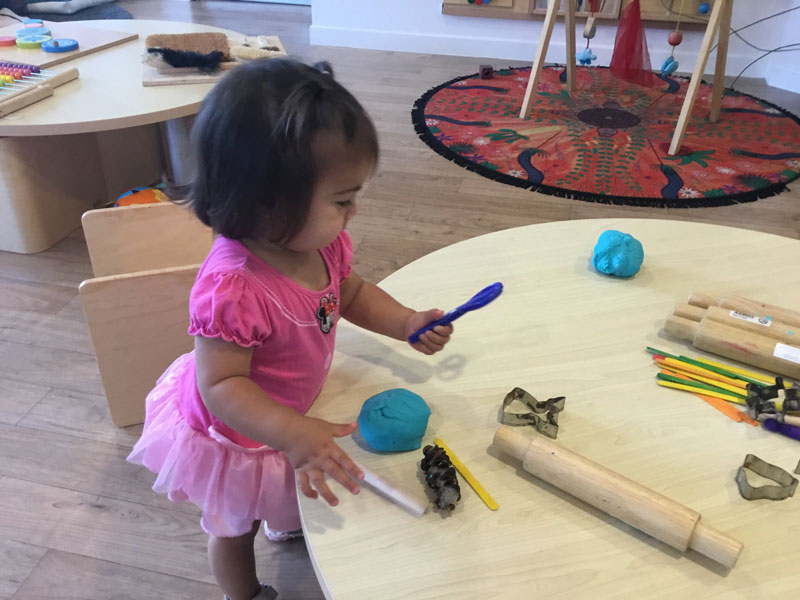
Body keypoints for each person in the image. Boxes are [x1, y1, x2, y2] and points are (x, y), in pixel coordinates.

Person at [127, 58, 454, 600]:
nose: (354, 211)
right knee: (234, 526)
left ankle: (283, 514)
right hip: (236, 434)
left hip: (287, 416)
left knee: (282, 492)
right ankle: (244, 593)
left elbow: (347, 293)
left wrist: (405, 322)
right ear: (266, 204)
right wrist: (293, 432)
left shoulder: (318, 241)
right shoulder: (233, 289)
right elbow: (223, 386)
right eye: (342, 199)